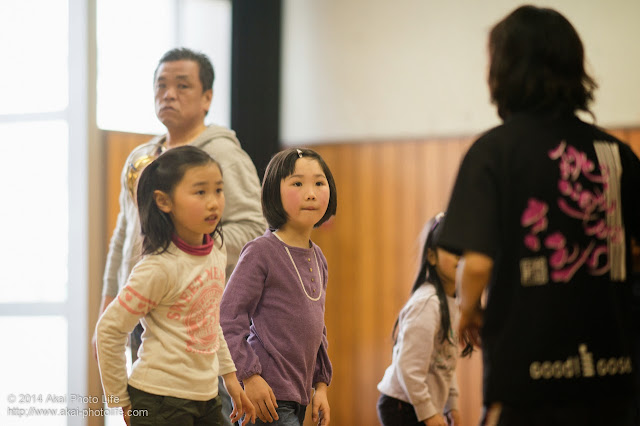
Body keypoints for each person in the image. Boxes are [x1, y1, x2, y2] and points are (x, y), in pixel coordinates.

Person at [437, 5, 640, 426]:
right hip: (614, 380)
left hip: (527, 385)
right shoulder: (616, 154)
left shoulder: (493, 152)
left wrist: (471, 311)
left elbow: (475, 264)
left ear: (503, 72)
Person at [95, 47, 266, 423]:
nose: (168, 94)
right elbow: (125, 233)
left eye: (182, 86)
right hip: (141, 308)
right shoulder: (143, 157)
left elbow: (254, 230)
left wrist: (185, 255)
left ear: (207, 98)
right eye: (161, 85)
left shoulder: (222, 153)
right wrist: (110, 297)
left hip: (191, 313)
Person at [96, 146, 256, 426]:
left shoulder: (216, 250)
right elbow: (109, 330)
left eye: (218, 190)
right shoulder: (158, 268)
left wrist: (230, 377)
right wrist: (119, 400)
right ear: (164, 201)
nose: (214, 202)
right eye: (200, 192)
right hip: (158, 400)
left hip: (207, 397)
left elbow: (209, 320)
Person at [220, 148, 337, 426]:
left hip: (299, 396)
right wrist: (249, 376)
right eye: (297, 183)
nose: (311, 193)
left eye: (319, 183)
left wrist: (321, 386)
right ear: (274, 192)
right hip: (267, 396)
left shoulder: (318, 257)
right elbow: (228, 318)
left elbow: (318, 329)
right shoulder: (261, 251)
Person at [377, 213, 470, 426]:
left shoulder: (452, 302)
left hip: (418, 402)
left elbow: (446, 360)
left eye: (464, 250)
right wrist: (427, 412)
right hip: (402, 404)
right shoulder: (428, 303)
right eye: (452, 249)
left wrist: (451, 405)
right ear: (431, 256)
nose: (460, 257)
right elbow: (408, 367)